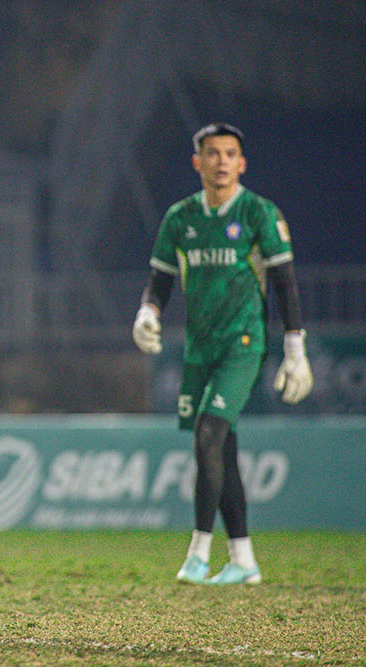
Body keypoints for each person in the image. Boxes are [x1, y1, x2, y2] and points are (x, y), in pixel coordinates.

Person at [132, 123, 313, 585]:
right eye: (212, 153)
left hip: (243, 344)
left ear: (242, 162)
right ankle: (244, 560)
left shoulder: (258, 213)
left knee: (208, 437)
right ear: (198, 162)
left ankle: (197, 554)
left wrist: (295, 347)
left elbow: (285, 281)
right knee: (222, 450)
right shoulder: (181, 218)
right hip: (200, 348)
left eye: (230, 153)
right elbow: (162, 278)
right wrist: (148, 312)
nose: (221, 161)